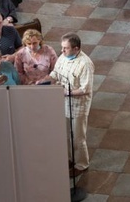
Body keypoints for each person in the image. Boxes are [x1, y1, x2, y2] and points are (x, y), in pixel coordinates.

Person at [39, 33, 94, 177]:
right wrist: (47, 79)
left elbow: (85, 88)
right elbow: (56, 72)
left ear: (76, 49)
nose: (62, 52)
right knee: (66, 134)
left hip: (78, 106)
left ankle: (81, 164)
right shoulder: (63, 57)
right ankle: (70, 159)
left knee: (77, 137)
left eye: (66, 48)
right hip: (63, 103)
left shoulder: (85, 64)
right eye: (62, 48)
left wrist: (66, 92)